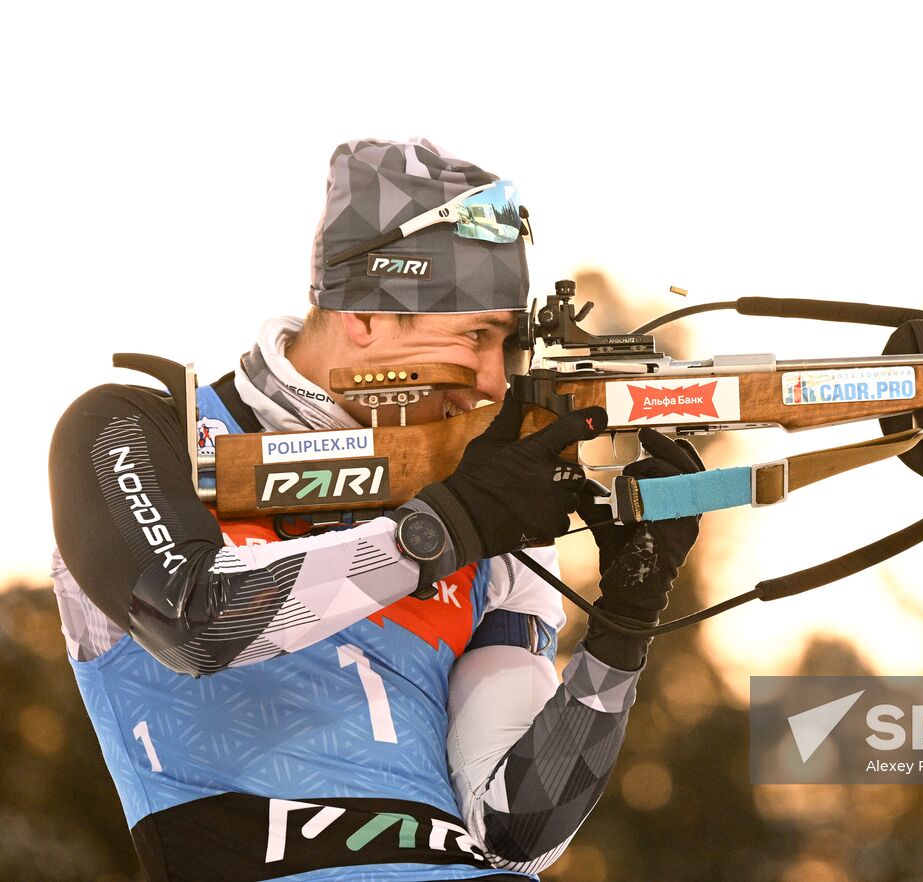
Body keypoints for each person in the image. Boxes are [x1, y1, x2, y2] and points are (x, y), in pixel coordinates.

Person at [48, 138, 702, 881]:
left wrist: (623, 630)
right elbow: (197, 620)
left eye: (508, 344)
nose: (493, 382)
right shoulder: (144, 429)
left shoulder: (483, 505)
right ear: (365, 314)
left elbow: (519, 830)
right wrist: (443, 531)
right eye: (475, 336)